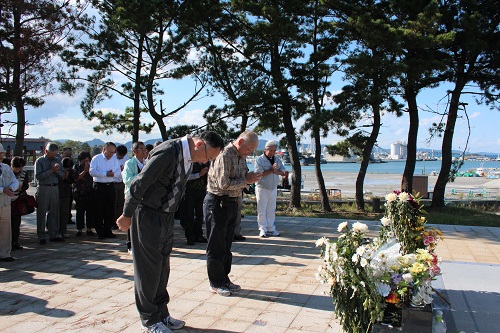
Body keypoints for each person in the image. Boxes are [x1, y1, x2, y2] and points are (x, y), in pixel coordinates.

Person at [116, 131, 224, 333]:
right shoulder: (168, 152)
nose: (206, 161)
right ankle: (149, 319)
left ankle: (162, 313)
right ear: (200, 145)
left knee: (162, 267)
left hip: (165, 217)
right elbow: (140, 183)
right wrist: (126, 214)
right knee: (148, 269)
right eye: (208, 157)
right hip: (148, 214)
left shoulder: (188, 156)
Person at [205, 130, 262, 296]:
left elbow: (242, 176)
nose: (251, 152)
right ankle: (215, 282)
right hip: (217, 202)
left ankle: (224, 279)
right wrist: (246, 180)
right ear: (241, 142)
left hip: (231, 202)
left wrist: (249, 178)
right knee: (216, 246)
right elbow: (223, 184)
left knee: (226, 245)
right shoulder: (225, 154)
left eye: (254, 149)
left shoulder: (241, 155)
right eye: (250, 148)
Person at [254, 140, 287, 238]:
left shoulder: (277, 159)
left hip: (273, 188)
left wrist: (276, 171)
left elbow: (283, 171)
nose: (272, 152)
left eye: (274, 150)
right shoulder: (259, 160)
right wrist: (271, 170)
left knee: (271, 209)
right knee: (262, 209)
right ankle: (262, 229)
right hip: (262, 187)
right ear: (265, 149)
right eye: (270, 150)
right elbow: (258, 174)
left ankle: (271, 228)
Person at [90, 142, 121, 240]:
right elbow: (92, 171)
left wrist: (113, 174)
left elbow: (118, 172)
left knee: (110, 209)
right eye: (110, 152)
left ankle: (108, 230)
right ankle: (100, 231)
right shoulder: (96, 159)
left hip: (110, 186)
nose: (111, 154)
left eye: (113, 152)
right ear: (104, 149)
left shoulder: (115, 159)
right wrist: (105, 174)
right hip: (99, 186)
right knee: (99, 209)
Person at [35, 142, 65, 244]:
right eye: (52, 154)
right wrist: (51, 170)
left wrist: (57, 171)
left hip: (55, 187)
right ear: (46, 151)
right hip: (44, 188)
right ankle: (41, 236)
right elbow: (38, 176)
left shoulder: (58, 160)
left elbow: (62, 175)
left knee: (54, 212)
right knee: (42, 212)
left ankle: (54, 234)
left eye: (55, 154)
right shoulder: (40, 161)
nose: (54, 156)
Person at [121, 141, 147, 254]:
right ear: (135, 151)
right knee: (130, 219)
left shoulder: (147, 163)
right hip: (132, 195)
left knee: (142, 220)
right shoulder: (129, 163)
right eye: (141, 149)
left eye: (144, 149)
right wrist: (141, 176)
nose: (144, 151)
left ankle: (142, 243)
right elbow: (127, 180)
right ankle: (130, 244)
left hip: (145, 196)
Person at [180, 161, 210, 245]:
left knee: (200, 214)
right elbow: (184, 176)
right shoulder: (189, 161)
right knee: (189, 215)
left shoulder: (206, 162)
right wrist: (199, 174)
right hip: (189, 191)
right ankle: (190, 237)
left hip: (201, 190)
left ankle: (198, 235)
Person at [0, 145, 19, 262]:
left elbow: (15, 181)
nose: (1, 156)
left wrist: (12, 188)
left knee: (6, 228)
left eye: (1, 153)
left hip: (6, 202)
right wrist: (2, 189)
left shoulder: (6, 167)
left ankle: (5, 253)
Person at [10, 156, 29, 250]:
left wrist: (22, 188)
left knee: (16, 222)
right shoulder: (7, 172)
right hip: (7, 200)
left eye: (19, 168)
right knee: (7, 223)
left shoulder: (24, 173)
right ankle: (7, 242)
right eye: (16, 168)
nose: (17, 170)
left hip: (18, 199)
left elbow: (26, 184)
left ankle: (15, 242)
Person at [74, 151, 95, 236]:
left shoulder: (91, 167)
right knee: (80, 212)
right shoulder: (76, 167)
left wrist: (89, 170)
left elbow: (94, 176)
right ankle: (79, 229)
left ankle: (89, 228)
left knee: (90, 212)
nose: (87, 162)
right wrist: (85, 171)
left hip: (89, 191)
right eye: (85, 160)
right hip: (79, 192)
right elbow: (76, 178)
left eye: (88, 160)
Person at [113, 145, 129, 229]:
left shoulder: (127, 159)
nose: (120, 158)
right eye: (119, 156)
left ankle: (119, 222)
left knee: (120, 203)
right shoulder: (112, 158)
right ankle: (112, 222)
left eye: (122, 156)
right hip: (113, 182)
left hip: (122, 183)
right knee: (113, 204)